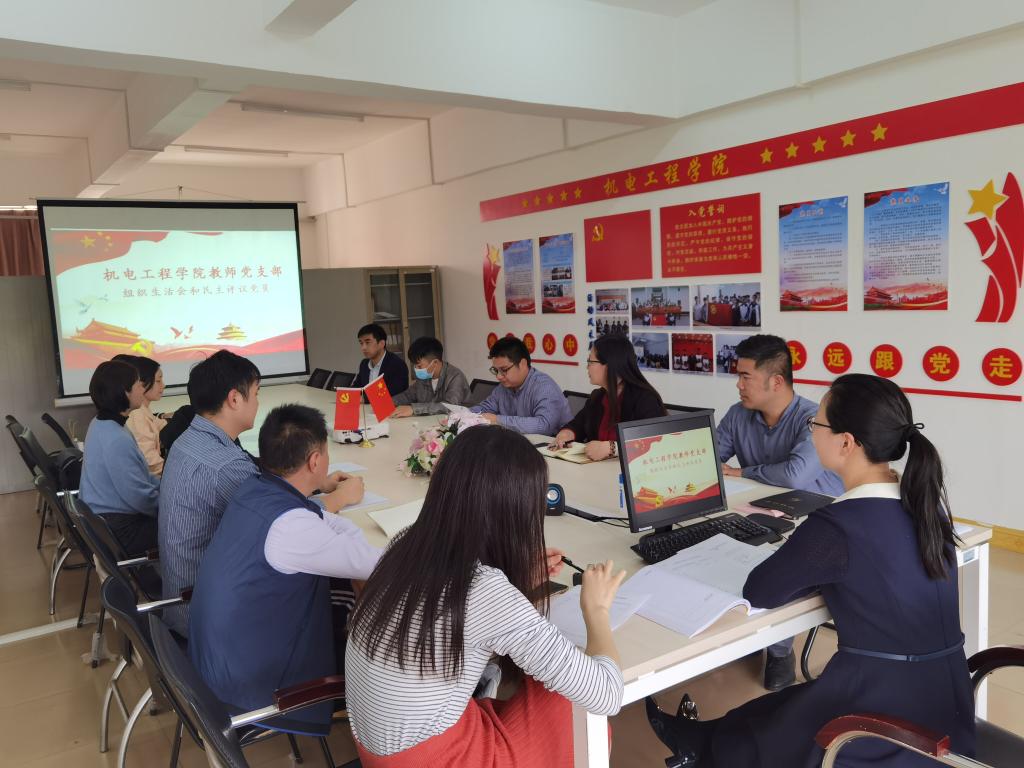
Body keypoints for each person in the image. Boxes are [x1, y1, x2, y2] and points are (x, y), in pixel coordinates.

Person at [647, 373, 975, 767]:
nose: (811, 430)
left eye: (816, 422)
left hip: (883, 724)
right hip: (946, 708)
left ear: (846, 443)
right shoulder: (926, 504)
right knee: (770, 709)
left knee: (755, 734)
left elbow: (761, 591)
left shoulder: (838, 526)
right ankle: (696, 740)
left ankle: (698, 751)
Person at [346, 425, 626, 766]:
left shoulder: (406, 541)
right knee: (572, 707)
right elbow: (607, 694)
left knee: (546, 679)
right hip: (436, 758)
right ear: (516, 512)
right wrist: (597, 610)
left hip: (383, 747)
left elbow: (459, 623)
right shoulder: (482, 589)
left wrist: (516, 577)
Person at [189, 404, 377, 735]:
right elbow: (376, 564)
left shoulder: (255, 488)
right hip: (254, 689)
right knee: (377, 643)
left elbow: (321, 520)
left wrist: (345, 534)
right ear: (315, 461)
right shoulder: (291, 527)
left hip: (217, 665)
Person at [716, 334, 843, 689]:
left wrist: (742, 472)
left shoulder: (813, 418)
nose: (738, 385)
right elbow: (711, 459)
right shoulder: (739, 415)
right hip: (760, 513)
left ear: (776, 381)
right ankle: (743, 627)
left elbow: (794, 476)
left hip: (816, 519)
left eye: (745, 376)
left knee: (779, 568)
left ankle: (779, 650)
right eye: (738, 376)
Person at [158, 350, 263, 638]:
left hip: (181, 600)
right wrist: (333, 498)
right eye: (256, 393)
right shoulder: (227, 466)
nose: (258, 402)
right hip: (207, 616)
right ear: (234, 399)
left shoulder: (187, 440)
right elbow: (284, 525)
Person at [79, 360, 160, 556]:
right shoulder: (116, 438)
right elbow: (139, 498)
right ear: (125, 392)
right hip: (119, 529)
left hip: (102, 521)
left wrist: (166, 487)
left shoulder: (100, 423)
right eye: (139, 384)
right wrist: (175, 506)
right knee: (194, 525)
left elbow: (142, 478)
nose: (143, 388)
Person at [552, 335, 666, 461]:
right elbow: (578, 424)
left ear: (610, 365)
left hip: (631, 470)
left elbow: (655, 440)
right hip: (598, 469)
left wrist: (612, 448)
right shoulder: (598, 397)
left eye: (591, 362)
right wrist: (567, 433)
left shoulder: (645, 399)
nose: (587, 367)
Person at [470, 336, 571, 435]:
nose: (499, 376)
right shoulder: (503, 387)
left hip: (554, 443)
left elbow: (544, 425)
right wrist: (465, 414)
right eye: (496, 370)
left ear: (523, 364)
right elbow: (485, 408)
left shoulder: (544, 387)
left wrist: (498, 420)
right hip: (518, 441)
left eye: (504, 370)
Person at [391, 336, 470, 417]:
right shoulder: (424, 377)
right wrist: (389, 403)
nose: (416, 369)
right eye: (415, 365)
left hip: (456, 422)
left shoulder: (455, 377)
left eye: (419, 366)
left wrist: (414, 409)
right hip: (429, 421)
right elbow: (408, 395)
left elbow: (450, 407)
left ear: (435, 363)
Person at [120, 356, 170, 475]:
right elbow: (150, 462)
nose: (163, 385)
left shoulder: (143, 410)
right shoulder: (136, 414)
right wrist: (175, 473)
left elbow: (160, 425)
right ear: (142, 382)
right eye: (158, 381)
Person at [352, 323, 409, 396]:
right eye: (361, 343)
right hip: (367, 403)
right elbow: (357, 387)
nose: (363, 348)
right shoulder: (364, 364)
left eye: (367, 342)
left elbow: (393, 394)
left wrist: (365, 398)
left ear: (382, 344)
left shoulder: (397, 364)